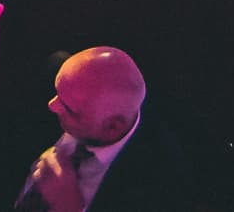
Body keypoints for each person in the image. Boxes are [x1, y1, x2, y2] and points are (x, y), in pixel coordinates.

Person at [18, 46, 193, 212]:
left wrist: (70, 208)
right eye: (58, 94)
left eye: (70, 111)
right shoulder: (63, 81)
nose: (52, 105)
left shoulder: (162, 184)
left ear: (112, 127)